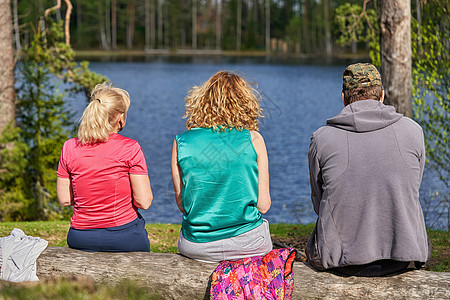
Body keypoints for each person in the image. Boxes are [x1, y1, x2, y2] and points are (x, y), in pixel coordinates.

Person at [306, 63, 429, 276]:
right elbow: (412, 188)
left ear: (343, 99)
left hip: (342, 260)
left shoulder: (322, 139)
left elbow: (319, 204)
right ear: (382, 95)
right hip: (403, 256)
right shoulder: (414, 131)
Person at [171, 71, 273, 263]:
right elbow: (263, 204)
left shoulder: (182, 142)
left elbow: (183, 204)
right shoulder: (254, 139)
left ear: (202, 101)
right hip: (248, 244)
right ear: (244, 103)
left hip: (197, 245)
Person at [56, 83, 153, 252]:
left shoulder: (69, 147)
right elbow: (144, 202)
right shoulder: (131, 148)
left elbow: (65, 199)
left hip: (80, 236)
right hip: (124, 236)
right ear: (121, 117)